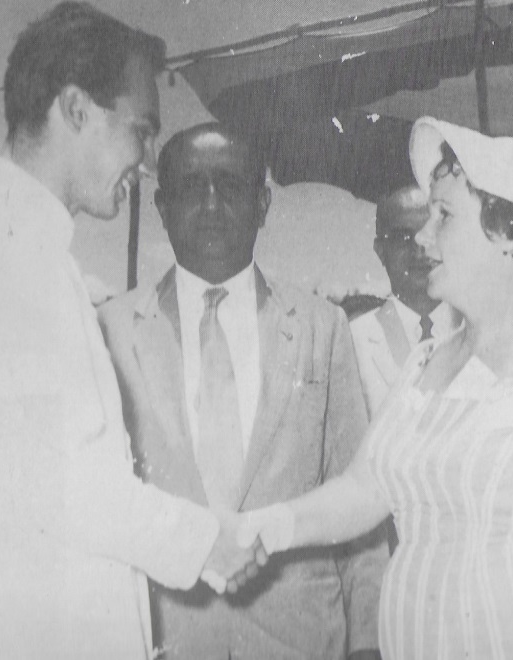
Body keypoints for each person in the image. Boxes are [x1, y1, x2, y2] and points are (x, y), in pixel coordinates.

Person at [0, 5, 262, 659]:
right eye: (140, 130)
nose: (147, 161)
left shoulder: (26, 250)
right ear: (74, 109)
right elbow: (62, 491)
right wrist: (207, 540)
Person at [239, 117, 513, 660]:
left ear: (509, 232)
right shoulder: (428, 360)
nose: (424, 236)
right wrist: (263, 528)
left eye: (444, 215)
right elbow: (364, 490)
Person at [99, 122, 387, 660]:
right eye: (191, 187)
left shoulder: (322, 326)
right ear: (161, 207)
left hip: (302, 642)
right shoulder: (111, 331)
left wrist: (368, 643)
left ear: (263, 205)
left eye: (230, 185)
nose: (211, 205)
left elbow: (358, 501)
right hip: (169, 641)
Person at [350, 185, 462, 419]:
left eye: (430, 232)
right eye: (402, 238)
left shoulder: (478, 327)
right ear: (381, 251)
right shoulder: (353, 340)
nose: (419, 250)